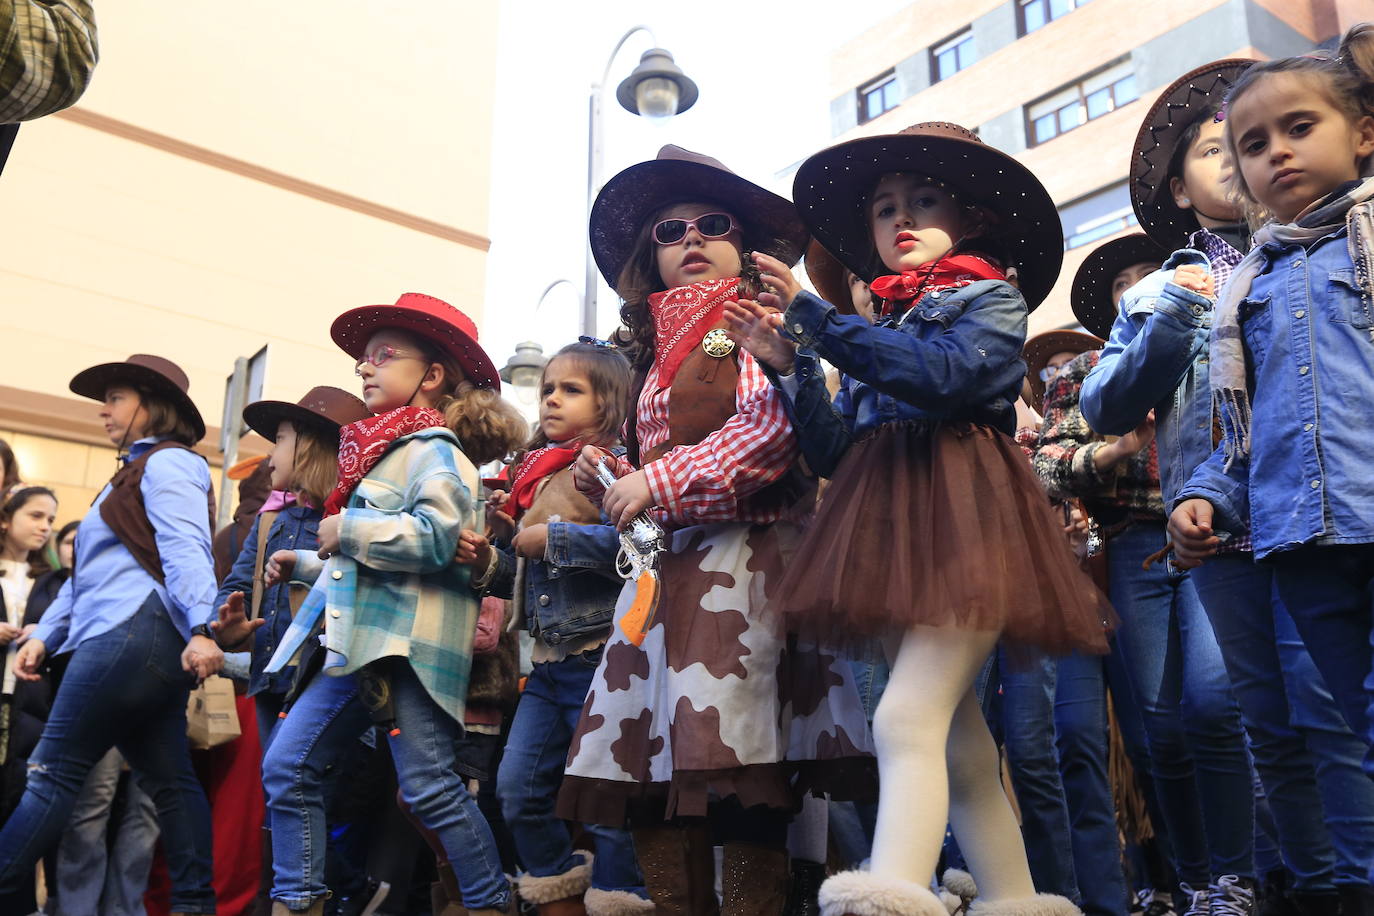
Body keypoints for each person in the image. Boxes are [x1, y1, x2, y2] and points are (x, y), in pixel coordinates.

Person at [723, 121, 1109, 916]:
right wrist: (794, 367)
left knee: (904, 717)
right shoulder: (873, 326)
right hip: (887, 529)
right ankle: (1012, 899)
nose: (900, 218)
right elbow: (835, 452)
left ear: (969, 221)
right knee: (960, 746)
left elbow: (950, 377)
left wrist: (821, 326)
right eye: (884, 207)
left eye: (924, 200)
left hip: (970, 524)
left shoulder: (990, 298)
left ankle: (889, 899)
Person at [1085, 56, 1374, 915]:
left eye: (1292, 129)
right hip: (1228, 520)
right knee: (1256, 718)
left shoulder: (1339, 240)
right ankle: (1307, 885)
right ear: (1181, 187)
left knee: (1333, 712)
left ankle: (1352, 874)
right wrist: (1173, 311)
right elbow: (1108, 405)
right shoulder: (1168, 290)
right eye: (1227, 147)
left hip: (1329, 515)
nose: (1249, 156)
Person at [559, 145, 875, 915]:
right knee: (650, 768)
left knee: (737, 767)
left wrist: (652, 481)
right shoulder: (657, 348)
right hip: (666, 582)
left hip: (748, 572)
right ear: (652, 255)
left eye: (712, 223)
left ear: (744, 246)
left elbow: (768, 438)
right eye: (671, 228)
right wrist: (610, 473)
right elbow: (663, 461)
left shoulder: (744, 325)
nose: (691, 237)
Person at [1168, 26, 1374, 888]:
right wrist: (1206, 494)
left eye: (1300, 126)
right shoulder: (1249, 282)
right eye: (1254, 144)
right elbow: (1247, 428)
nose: (1276, 152)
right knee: (1355, 736)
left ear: (1362, 131)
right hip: (1307, 549)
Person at [259, 293, 528, 915]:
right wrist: (305, 562)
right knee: (288, 768)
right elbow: (372, 556)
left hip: (407, 649)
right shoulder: (380, 451)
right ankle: (297, 903)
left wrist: (344, 531)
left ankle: (489, 905)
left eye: (383, 356)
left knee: (431, 789)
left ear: (431, 376)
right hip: (359, 645)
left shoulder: (436, 452)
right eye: (364, 358)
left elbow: (436, 541)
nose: (364, 368)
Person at [0, 353, 223, 916]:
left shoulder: (171, 464)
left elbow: (186, 549)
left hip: (130, 636)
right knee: (171, 783)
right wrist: (45, 634)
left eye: (117, 398)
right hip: (138, 640)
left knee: (51, 776)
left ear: (153, 406)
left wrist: (202, 625)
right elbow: (86, 579)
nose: (103, 410)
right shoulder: (131, 472)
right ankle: (197, 907)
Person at [458, 340, 651, 915]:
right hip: (543, 663)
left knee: (604, 802)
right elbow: (524, 574)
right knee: (517, 791)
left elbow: (643, 543)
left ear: (610, 402)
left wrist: (557, 537)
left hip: (602, 659)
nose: (552, 400)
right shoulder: (537, 477)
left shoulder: (609, 465)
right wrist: (491, 557)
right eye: (546, 389)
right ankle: (558, 896)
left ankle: (622, 901)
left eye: (571, 389)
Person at [0, 485, 56, 912]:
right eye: (36, 516)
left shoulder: (54, 581)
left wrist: (47, 632)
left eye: (51, 520)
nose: (45, 527)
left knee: (18, 803)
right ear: (6, 519)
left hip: (31, 708)